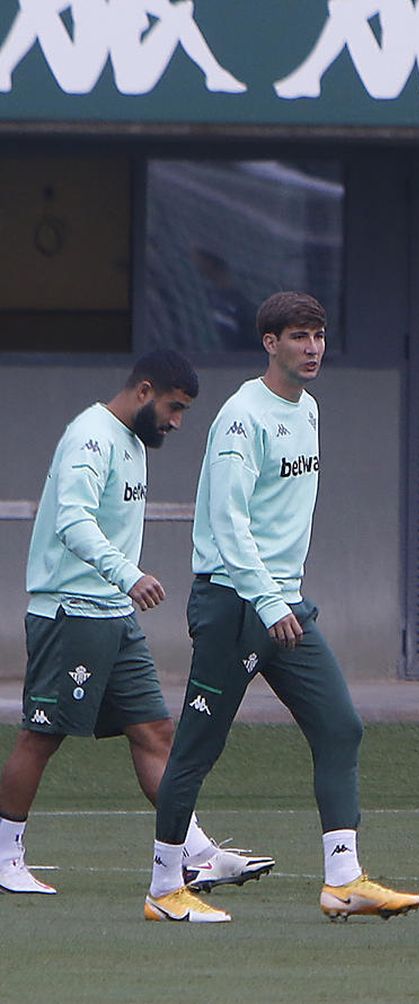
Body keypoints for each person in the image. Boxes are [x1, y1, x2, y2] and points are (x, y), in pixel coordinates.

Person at [144, 293, 419, 924]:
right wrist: (269, 599)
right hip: (235, 601)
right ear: (270, 343)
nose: (313, 348)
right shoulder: (242, 416)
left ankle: (343, 880)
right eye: (299, 336)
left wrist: (282, 598)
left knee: (340, 726)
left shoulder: (311, 410)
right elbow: (228, 520)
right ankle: (164, 887)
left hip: (283, 604)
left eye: (320, 336)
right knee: (198, 743)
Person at [2, 352, 272, 896]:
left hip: (114, 617)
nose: (176, 422)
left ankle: (194, 851)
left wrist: (121, 589)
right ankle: (5, 854)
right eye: (174, 408)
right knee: (42, 735)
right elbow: (71, 520)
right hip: (71, 612)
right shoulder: (91, 436)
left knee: (155, 730)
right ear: (145, 390)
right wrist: (127, 574)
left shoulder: (132, 443)